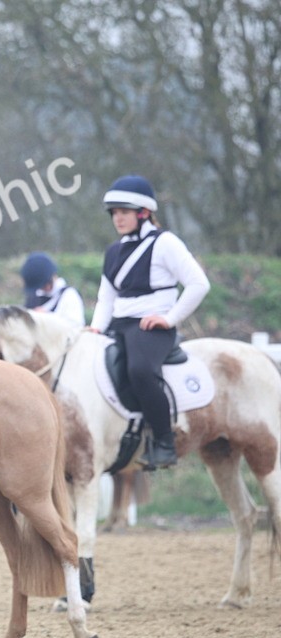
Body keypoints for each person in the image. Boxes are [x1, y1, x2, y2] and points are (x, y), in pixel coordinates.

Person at [88, 175, 209, 470]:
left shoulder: (165, 243)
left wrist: (169, 319)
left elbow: (198, 284)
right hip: (118, 323)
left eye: (124, 212)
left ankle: (165, 442)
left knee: (140, 370)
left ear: (143, 213)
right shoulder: (114, 251)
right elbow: (106, 297)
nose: (118, 219)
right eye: (114, 213)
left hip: (151, 327)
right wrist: (95, 328)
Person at [21, 252, 86, 327]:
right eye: (41, 286)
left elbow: (76, 328)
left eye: (46, 284)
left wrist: (47, 318)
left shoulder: (69, 296)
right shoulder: (34, 296)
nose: (46, 288)